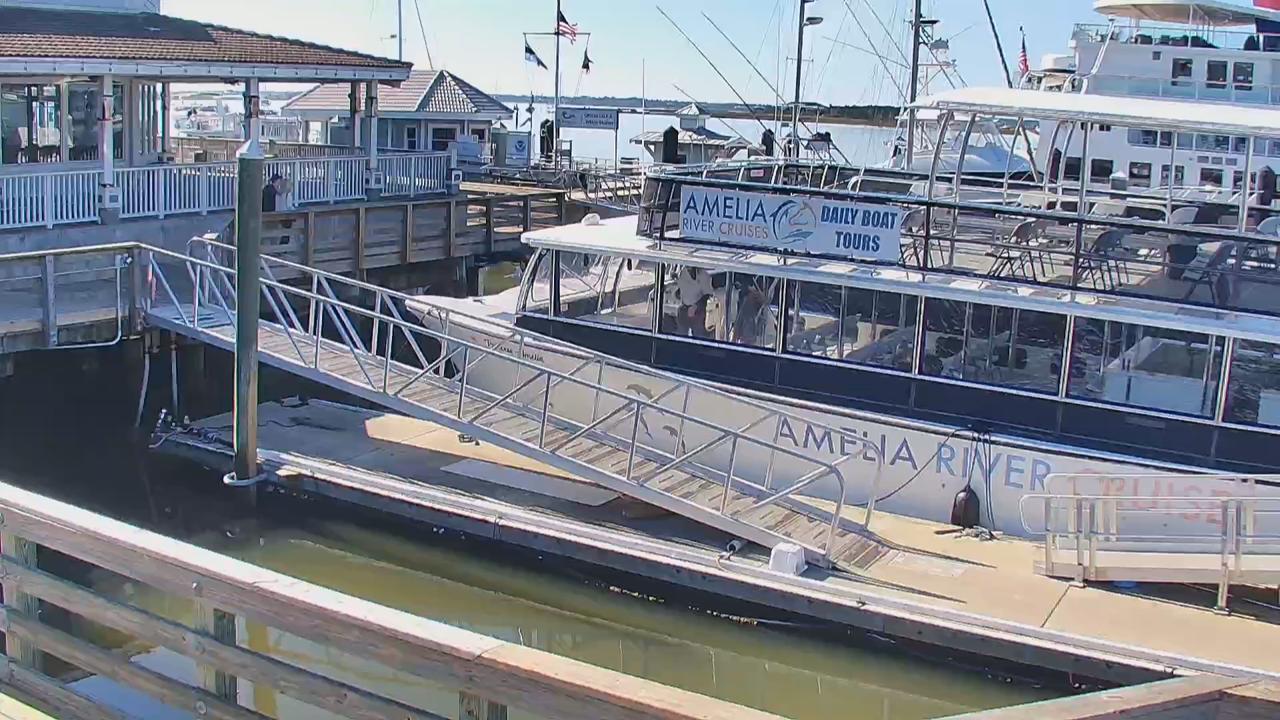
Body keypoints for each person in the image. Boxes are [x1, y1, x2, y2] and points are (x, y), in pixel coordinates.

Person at [675, 266, 713, 338]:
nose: (689, 269)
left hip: (699, 312)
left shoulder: (703, 275)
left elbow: (708, 295)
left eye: (690, 268)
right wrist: (678, 294)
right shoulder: (682, 273)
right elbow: (680, 289)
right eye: (687, 267)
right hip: (684, 309)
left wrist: (696, 306)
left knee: (699, 336)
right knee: (680, 336)